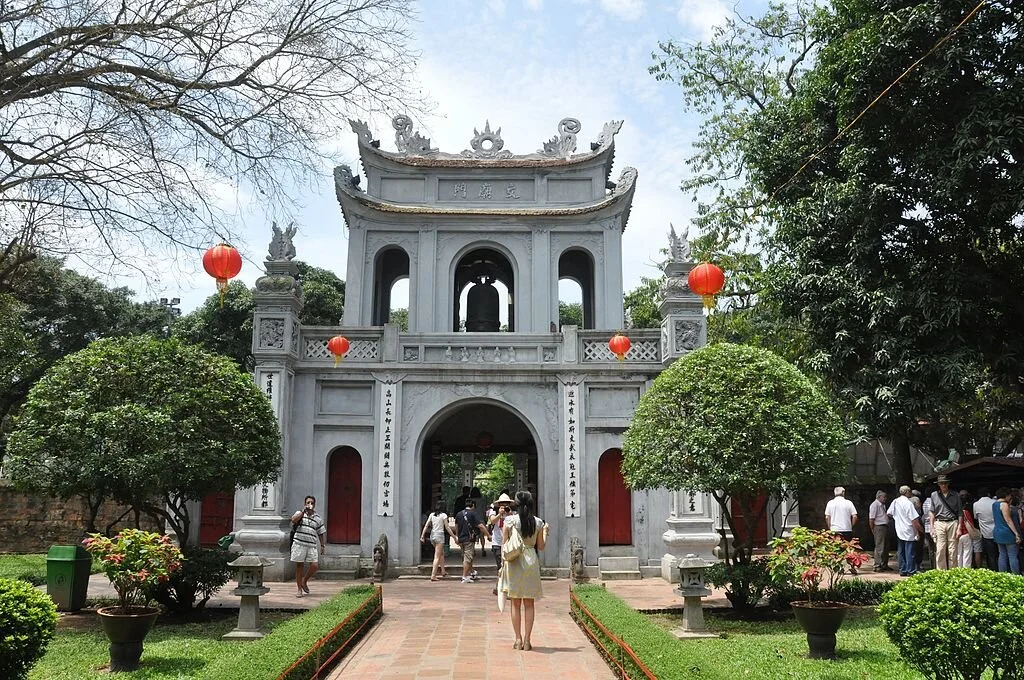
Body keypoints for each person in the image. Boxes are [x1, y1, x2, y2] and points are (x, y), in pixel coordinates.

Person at [503, 490, 546, 651]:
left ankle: (518, 639)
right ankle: (528, 640)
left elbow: (505, 545)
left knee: (515, 603)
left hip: (515, 561)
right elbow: (540, 546)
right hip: (531, 560)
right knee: (529, 604)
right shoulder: (538, 522)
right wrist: (545, 533)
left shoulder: (510, 521)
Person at [290, 495, 326, 597]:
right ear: (305, 504)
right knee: (299, 566)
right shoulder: (300, 513)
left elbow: (321, 532)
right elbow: (293, 520)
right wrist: (303, 511)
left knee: (314, 565)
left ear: (314, 505)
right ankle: (299, 589)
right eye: (308, 502)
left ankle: (304, 581)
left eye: (312, 503)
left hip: (311, 544)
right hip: (299, 543)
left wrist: (322, 545)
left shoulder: (318, 518)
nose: (310, 504)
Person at [887, 485, 923, 577]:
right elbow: (914, 519)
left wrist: (898, 518)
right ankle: (911, 570)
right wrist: (919, 530)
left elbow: (889, 513)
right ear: (907, 492)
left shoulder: (895, 501)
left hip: (899, 529)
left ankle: (903, 569)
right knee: (910, 551)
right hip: (909, 529)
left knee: (901, 551)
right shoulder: (908, 503)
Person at [929, 475, 962, 570]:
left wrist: (959, 527)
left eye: (945, 483)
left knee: (953, 549)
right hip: (939, 522)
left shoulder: (956, 495)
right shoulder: (934, 495)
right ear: (938, 484)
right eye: (941, 483)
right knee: (940, 549)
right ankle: (941, 572)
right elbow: (932, 512)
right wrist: (931, 527)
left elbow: (960, 512)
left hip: (952, 522)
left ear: (948, 483)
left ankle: (953, 571)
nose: (943, 485)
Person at [420, 500, 457, 581]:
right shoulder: (443, 516)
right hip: (439, 536)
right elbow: (447, 528)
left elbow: (426, 526)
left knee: (441, 554)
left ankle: (443, 571)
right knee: (437, 556)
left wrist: (422, 536)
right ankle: (433, 575)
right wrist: (454, 537)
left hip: (432, 536)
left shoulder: (431, 515)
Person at [455, 499, 489, 583]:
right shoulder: (473, 514)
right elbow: (480, 525)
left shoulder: (459, 514)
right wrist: (488, 534)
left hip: (461, 539)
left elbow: (456, 526)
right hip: (469, 539)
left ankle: (472, 572)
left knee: (467, 556)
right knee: (468, 557)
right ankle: (465, 576)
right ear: (473, 505)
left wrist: (457, 536)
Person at [992, 487, 1022, 574]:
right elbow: (1008, 520)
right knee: (1012, 556)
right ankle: (1016, 576)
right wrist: (1016, 533)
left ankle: (1002, 575)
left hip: (998, 532)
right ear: (1006, 495)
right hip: (1007, 532)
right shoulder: (1004, 504)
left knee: (1002, 555)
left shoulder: (994, 504)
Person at [489, 493, 513, 595]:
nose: (504, 506)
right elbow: (492, 521)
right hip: (497, 543)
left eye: (506, 504)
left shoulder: (512, 513)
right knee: (500, 566)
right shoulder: (493, 511)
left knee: (508, 566)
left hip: (509, 543)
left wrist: (509, 514)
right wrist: (500, 514)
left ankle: (500, 586)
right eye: (502, 504)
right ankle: (501, 587)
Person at [973, 488, 999, 569]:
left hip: (986, 533)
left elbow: (976, 517)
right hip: (997, 530)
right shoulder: (995, 502)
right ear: (988, 494)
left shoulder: (976, 504)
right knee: (1000, 553)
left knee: (990, 554)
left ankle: (992, 570)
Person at [955, 490, 981, 568]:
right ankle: (966, 569)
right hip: (966, 534)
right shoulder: (966, 512)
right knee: (967, 553)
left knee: (959, 553)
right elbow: (971, 524)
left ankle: (958, 569)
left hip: (957, 535)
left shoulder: (953, 512)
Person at [868, 490, 891, 571]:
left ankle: (884, 563)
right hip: (879, 526)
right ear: (879, 497)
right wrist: (873, 529)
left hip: (885, 526)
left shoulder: (882, 505)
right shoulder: (874, 505)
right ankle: (877, 565)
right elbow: (871, 519)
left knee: (886, 546)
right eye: (884, 497)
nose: (885, 498)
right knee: (879, 546)